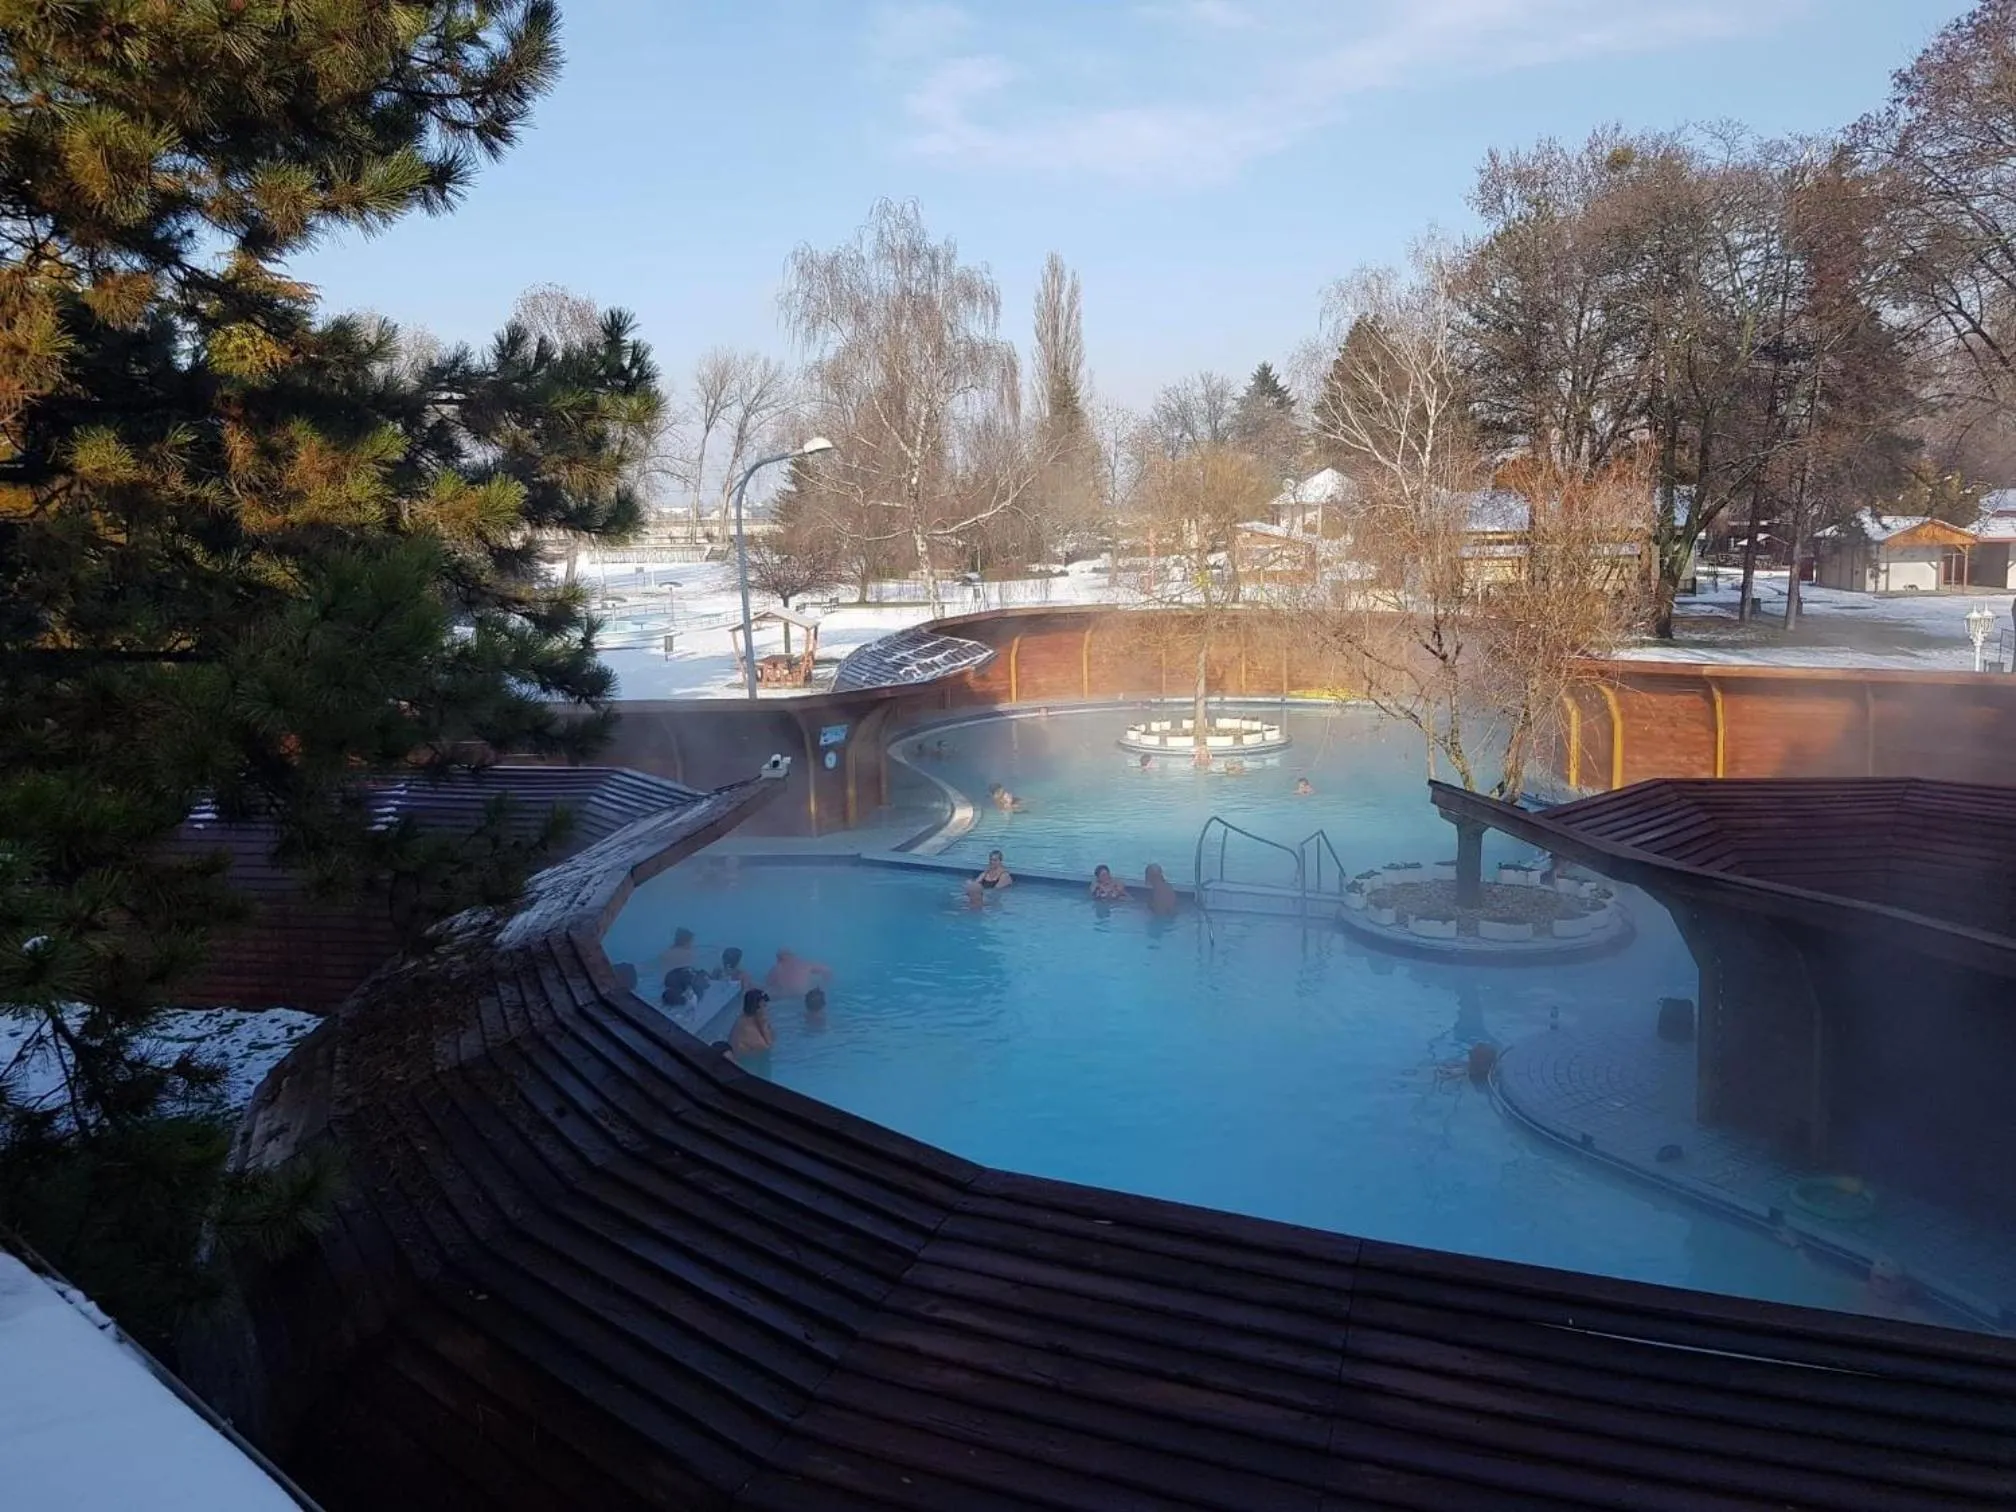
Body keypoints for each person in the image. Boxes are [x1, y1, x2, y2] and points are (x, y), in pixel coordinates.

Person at [767, 947, 833, 996]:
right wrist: (824, 986)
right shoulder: (805, 965)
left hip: (784, 998)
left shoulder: (775, 970)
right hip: (802, 996)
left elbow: (769, 986)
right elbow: (828, 971)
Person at [728, 988, 774, 1057]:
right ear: (757, 1009)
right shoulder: (748, 1029)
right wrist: (763, 1023)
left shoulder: (743, 1019)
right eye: (764, 1006)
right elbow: (767, 1047)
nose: (767, 1009)